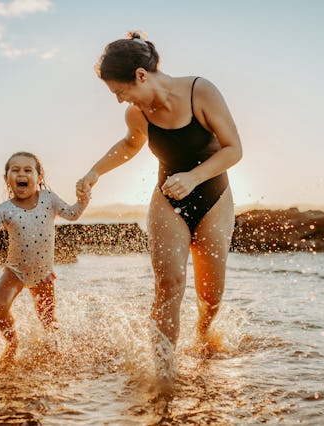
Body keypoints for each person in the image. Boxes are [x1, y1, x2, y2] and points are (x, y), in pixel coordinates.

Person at [77, 31, 242, 382]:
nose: (120, 100)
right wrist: (95, 172)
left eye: (120, 91)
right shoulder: (138, 114)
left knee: (210, 296)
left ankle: (204, 334)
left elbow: (233, 149)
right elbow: (129, 145)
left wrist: (194, 178)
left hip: (214, 198)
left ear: (140, 75)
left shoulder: (201, 91)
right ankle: (164, 372)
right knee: (169, 283)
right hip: (167, 200)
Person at [0, 151, 90, 362]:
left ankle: (58, 350)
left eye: (28, 170)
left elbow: (73, 214)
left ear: (39, 177)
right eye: (15, 170)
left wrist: (83, 199)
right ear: (7, 178)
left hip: (43, 275)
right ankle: (12, 343)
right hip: (16, 272)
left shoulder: (49, 199)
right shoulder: (4, 210)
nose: (22, 173)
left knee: (48, 319)